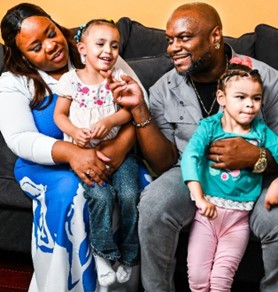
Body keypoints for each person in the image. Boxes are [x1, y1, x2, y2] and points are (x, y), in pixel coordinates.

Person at [109, 2, 278, 291]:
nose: (173, 47)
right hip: (192, 173)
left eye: (184, 38)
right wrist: (140, 111)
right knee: (153, 204)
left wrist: (257, 157)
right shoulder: (164, 89)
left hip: (258, 179)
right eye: (169, 40)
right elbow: (163, 164)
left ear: (215, 37)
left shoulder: (265, 79)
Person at [0, 3, 147, 291]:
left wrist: (119, 147)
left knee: (140, 185)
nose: (51, 46)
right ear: (22, 57)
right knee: (74, 193)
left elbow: (140, 105)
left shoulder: (96, 52)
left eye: (51, 33)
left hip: (108, 153)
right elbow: (19, 138)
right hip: (44, 166)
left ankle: (121, 278)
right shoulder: (12, 82)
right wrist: (72, 153)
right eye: (36, 46)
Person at [54, 19, 140, 287]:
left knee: (129, 195)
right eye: (100, 44)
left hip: (120, 155)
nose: (108, 51)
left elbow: (128, 111)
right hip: (86, 155)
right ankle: (102, 253)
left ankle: (128, 254)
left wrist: (110, 122)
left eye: (114, 46)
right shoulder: (71, 80)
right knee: (101, 197)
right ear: (82, 49)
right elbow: (60, 114)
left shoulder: (119, 79)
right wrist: (74, 131)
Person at [181, 63, 278, 291]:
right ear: (221, 97)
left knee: (222, 279)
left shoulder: (261, 132)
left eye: (256, 98)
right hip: (207, 216)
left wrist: (276, 181)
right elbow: (190, 157)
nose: (250, 105)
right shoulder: (210, 127)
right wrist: (199, 198)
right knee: (197, 276)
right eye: (241, 97)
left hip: (238, 221)